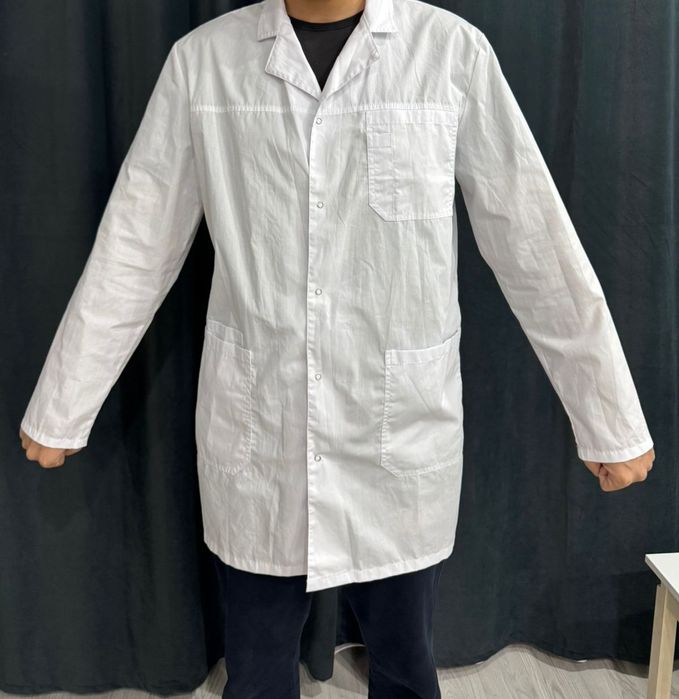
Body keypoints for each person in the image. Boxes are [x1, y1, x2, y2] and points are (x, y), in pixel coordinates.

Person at [19, 0, 655, 696]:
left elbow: (533, 239)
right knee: (257, 666)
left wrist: (607, 416)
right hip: (263, 435)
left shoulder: (449, 53)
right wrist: (63, 403)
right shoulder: (205, 63)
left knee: (405, 660)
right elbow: (136, 243)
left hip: (397, 432)